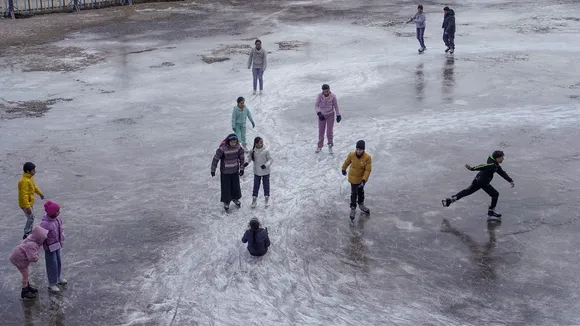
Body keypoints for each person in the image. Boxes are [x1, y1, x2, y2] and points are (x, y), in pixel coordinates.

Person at [442, 150, 515, 222]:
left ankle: (450, 200)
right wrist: (472, 168)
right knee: (495, 194)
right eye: (502, 157)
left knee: (467, 191)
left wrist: (510, 180)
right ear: (497, 158)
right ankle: (491, 212)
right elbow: (483, 166)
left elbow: (502, 173)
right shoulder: (492, 165)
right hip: (482, 182)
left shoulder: (495, 165)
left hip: (479, 180)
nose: (503, 159)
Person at [9, 225, 49, 299]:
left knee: (26, 273)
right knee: (25, 275)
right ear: (39, 238)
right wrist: (37, 257)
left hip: (18, 257)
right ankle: (24, 291)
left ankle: (27, 287)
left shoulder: (30, 239)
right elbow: (32, 257)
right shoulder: (32, 244)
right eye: (43, 238)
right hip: (19, 260)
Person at [211, 134, 245, 211]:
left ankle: (235, 198)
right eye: (232, 142)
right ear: (228, 141)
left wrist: (242, 169)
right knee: (226, 187)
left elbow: (242, 158)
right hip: (225, 172)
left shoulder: (238, 147)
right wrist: (213, 169)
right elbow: (216, 159)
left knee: (235, 186)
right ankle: (226, 201)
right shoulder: (222, 149)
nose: (233, 144)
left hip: (235, 171)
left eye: (235, 142)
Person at [40, 201, 67, 293]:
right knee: (52, 264)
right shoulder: (45, 224)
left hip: (57, 244)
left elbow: (61, 230)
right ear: (51, 212)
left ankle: (58, 277)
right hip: (49, 248)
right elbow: (41, 236)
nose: (59, 212)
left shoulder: (58, 219)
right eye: (57, 211)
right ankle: (52, 283)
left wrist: (61, 239)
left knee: (58, 262)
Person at [341, 140, 372, 220]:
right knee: (354, 193)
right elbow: (347, 162)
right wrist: (343, 168)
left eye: (360, 150)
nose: (358, 151)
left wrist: (364, 180)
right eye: (357, 149)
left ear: (363, 150)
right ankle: (353, 208)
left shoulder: (367, 158)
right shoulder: (351, 155)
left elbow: (367, 170)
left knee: (361, 192)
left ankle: (361, 205)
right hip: (353, 178)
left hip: (361, 179)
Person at [243, 137, 273, 208]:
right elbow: (249, 157)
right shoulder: (252, 151)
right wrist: (246, 162)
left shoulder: (266, 151)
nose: (262, 143)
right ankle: (254, 199)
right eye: (260, 142)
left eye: (262, 142)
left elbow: (270, 159)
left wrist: (265, 165)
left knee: (266, 185)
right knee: (256, 186)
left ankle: (266, 199)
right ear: (256, 144)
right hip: (257, 172)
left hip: (265, 172)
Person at [18, 162, 45, 239]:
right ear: (27, 171)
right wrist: (27, 207)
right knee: (31, 217)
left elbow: (34, 187)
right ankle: (26, 233)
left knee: (31, 217)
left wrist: (40, 194)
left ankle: (29, 231)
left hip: (29, 202)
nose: (34, 172)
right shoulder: (24, 181)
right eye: (33, 170)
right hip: (25, 204)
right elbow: (24, 195)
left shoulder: (30, 178)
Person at [315, 84, 341, 153]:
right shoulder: (320, 96)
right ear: (322, 91)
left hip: (330, 115)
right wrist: (319, 113)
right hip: (322, 116)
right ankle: (319, 146)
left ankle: (330, 145)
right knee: (321, 131)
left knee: (329, 131)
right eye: (325, 91)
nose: (326, 93)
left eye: (327, 91)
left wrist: (338, 114)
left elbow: (336, 106)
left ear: (329, 90)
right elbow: (316, 105)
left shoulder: (333, 96)